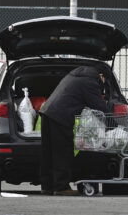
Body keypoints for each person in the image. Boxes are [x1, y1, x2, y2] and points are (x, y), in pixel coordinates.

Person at [39, 65, 110, 196]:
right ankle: (61, 187)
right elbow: (98, 106)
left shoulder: (74, 76)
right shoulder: (89, 82)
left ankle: (47, 186)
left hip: (47, 112)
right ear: (101, 76)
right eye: (105, 80)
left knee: (48, 152)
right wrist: (113, 124)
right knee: (63, 151)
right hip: (61, 116)